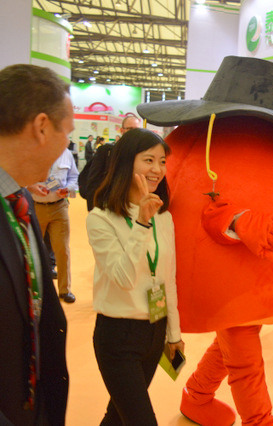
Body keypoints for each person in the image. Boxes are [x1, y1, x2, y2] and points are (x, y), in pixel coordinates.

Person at [87, 128, 183, 425]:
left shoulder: (164, 216)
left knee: (118, 417)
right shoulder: (101, 218)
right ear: (126, 161)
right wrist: (141, 222)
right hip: (118, 336)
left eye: (162, 162)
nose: (157, 170)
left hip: (155, 330)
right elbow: (123, 279)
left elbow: (168, 278)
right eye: (148, 160)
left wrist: (174, 334)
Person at [0, 64, 71, 425]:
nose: (67, 144)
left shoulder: (20, 200)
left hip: (33, 403)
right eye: (67, 132)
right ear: (42, 127)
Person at [27, 149, 79, 303]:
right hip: (36, 207)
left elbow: (74, 177)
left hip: (59, 207)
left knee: (63, 250)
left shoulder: (66, 154)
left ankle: (65, 290)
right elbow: (19, 176)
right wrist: (30, 186)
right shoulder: (32, 151)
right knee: (33, 249)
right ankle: (33, 290)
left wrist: (68, 189)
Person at [79, 114, 141, 210]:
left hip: (130, 208)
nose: (134, 133)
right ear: (122, 130)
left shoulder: (141, 155)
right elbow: (93, 183)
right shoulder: (106, 151)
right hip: (107, 207)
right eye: (130, 129)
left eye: (136, 130)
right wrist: (92, 210)